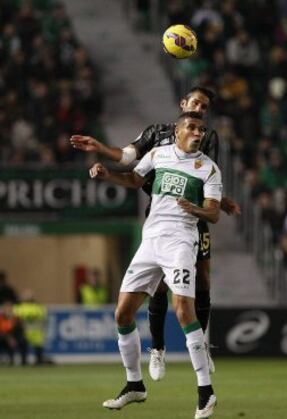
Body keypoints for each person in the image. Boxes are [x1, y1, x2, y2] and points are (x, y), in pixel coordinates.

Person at [70, 86, 240, 380]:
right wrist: (100, 148)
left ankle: (202, 346)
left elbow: (202, 171)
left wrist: (219, 201)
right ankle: (158, 349)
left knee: (203, 278)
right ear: (182, 104)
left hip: (193, 214)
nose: (200, 109)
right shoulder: (156, 134)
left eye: (205, 107)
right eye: (196, 103)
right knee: (159, 284)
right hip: (161, 214)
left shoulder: (206, 136)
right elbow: (126, 159)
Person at [90, 112, 221, 418]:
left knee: (183, 310)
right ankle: (134, 384)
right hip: (150, 241)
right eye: (191, 127)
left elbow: (214, 214)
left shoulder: (209, 169)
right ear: (177, 131)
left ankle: (205, 391)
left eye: (201, 129)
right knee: (122, 312)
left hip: (180, 243)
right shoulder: (158, 154)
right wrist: (108, 174)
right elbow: (135, 179)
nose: (198, 133)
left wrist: (197, 209)